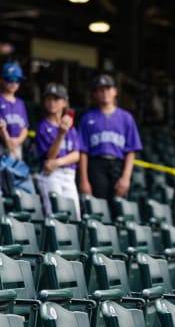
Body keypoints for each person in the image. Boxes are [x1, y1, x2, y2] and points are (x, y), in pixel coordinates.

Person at [77, 74, 142, 202]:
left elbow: (131, 151)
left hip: (118, 165)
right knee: (99, 209)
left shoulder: (126, 118)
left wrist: (126, 178)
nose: (105, 93)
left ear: (115, 91)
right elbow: (83, 152)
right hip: (96, 165)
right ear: (95, 94)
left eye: (108, 89)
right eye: (101, 90)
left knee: (118, 209)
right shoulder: (88, 118)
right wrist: (84, 181)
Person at [34, 83, 80, 219]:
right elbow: (50, 156)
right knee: (55, 215)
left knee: (75, 216)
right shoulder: (43, 126)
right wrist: (61, 134)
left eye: (56, 99)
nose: (52, 103)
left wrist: (58, 162)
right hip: (51, 175)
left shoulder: (70, 126)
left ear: (64, 102)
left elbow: (76, 154)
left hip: (69, 174)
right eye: (48, 99)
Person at [0, 62, 28, 160]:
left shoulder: (20, 103)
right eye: (10, 79)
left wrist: (18, 141)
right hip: (0, 145)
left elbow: (25, 128)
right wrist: (8, 140)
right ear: (2, 80)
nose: (13, 83)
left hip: (17, 146)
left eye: (17, 80)